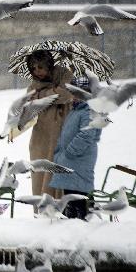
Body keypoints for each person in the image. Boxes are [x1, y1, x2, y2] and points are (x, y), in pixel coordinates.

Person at [49, 76, 102, 220]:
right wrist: (60, 152)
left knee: (78, 194)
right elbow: (67, 133)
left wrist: (70, 152)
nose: (74, 96)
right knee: (70, 195)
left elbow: (86, 135)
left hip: (79, 159)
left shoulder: (89, 111)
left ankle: (80, 222)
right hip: (70, 160)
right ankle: (70, 222)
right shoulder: (76, 110)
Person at [25, 50, 74, 198]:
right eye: (33, 68)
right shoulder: (34, 84)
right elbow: (29, 101)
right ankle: (43, 214)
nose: (37, 71)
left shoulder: (64, 76)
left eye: (40, 67)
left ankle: (61, 212)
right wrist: (52, 92)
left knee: (60, 174)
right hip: (41, 138)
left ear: (48, 65)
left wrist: (43, 94)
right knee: (41, 176)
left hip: (62, 134)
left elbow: (66, 95)